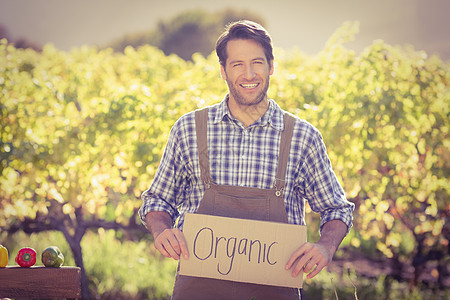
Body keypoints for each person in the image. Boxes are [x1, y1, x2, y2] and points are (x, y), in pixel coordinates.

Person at [139, 20, 354, 300]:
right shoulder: (189, 129)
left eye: (257, 62)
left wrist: (325, 247)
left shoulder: (303, 137)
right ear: (223, 70)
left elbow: (337, 209)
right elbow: (157, 201)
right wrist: (162, 230)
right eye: (237, 64)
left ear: (271, 66)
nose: (249, 73)